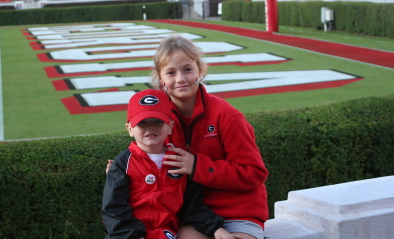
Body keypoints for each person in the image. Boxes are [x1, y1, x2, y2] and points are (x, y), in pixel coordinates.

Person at [151, 35, 269, 239]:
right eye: (171, 72)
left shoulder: (227, 116)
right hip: (194, 215)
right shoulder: (158, 120)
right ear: (161, 80)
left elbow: (255, 173)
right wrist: (123, 167)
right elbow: (148, 161)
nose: (180, 79)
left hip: (238, 213)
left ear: (200, 71)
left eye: (187, 69)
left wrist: (197, 166)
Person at [102, 89, 237, 239]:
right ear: (130, 129)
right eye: (142, 123)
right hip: (128, 235)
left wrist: (215, 229)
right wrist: (132, 235)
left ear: (170, 126)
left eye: (158, 121)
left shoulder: (180, 161)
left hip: (166, 234)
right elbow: (113, 209)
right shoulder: (122, 164)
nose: (150, 127)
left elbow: (191, 206)